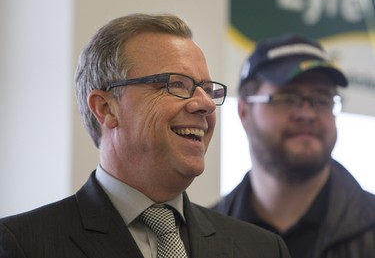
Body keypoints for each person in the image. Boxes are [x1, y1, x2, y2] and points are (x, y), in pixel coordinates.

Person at [0, 13, 291, 258]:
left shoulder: (262, 248)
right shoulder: (23, 244)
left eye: (207, 89)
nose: (204, 104)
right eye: (176, 84)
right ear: (106, 108)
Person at [213, 34, 375, 258]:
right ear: (244, 113)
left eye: (322, 99)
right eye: (287, 98)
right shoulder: (202, 236)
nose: (307, 114)